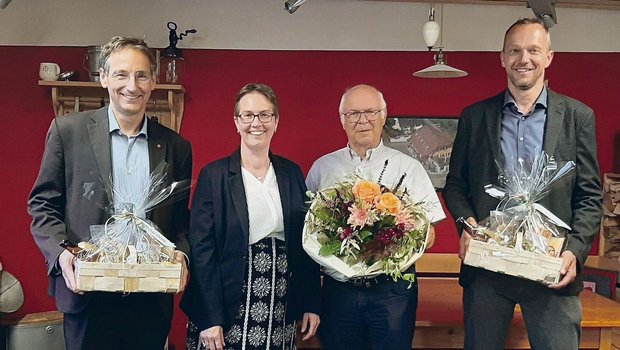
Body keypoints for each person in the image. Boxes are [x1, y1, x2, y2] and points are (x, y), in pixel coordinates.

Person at [443, 18, 603, 350]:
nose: (523, 59)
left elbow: (589, 195)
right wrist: (466, 224)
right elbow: (455, 184)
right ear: (502, 58)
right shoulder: (475, 116)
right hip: (488, 269)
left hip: (552, 269)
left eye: (533, 50)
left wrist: (575, 250)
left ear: (549, 56)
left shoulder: (577, 117)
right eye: (514, 51)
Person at [28, 36, 192, 350]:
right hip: (88, 294)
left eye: (141, 75)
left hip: (150, 297)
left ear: (153, 81)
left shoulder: (176, 147)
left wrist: (182, 256)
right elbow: (42, 205)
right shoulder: (68, 132)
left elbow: (180, 220)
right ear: (103, 78)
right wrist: (62, 255)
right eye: (121, 74)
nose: (132, 85)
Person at [180, 83, 321, 350]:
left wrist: (311, 302)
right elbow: (201, 250)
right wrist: (210, 316)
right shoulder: (215, 176)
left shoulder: (291, 174)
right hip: (225, 302)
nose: (256, 123)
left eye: (265, 115)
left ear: (276, 121)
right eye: (247, 115)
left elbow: (307, 242)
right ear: (236, 121)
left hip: (279, 302)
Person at [306, 84, 445, 350]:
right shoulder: (322, 168)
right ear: (342, 120)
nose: (363, 120)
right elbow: (309, 229)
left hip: (392, 293)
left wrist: (397, 233)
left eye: (370, 112)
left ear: (384, 116)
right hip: (338, 292)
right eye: (353, 113)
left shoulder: (409, 168)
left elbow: (430, 235)